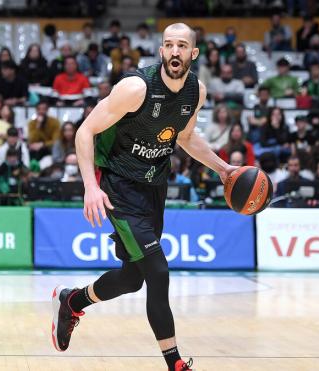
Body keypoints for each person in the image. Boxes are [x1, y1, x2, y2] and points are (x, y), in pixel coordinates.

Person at [52, 23, 237, 371]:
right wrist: (90, 185)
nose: (175, 51)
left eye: (182, 46)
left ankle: (72, 301)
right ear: (161, 50)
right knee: (158, 270)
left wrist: (223, 168)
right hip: (117, 185)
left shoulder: (196, 91)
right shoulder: (136, 88)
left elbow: (185, 137)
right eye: (169, 45)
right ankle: (175, 363)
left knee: (132, 278)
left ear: (193, 54)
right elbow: (85, 130)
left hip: (154, 187)